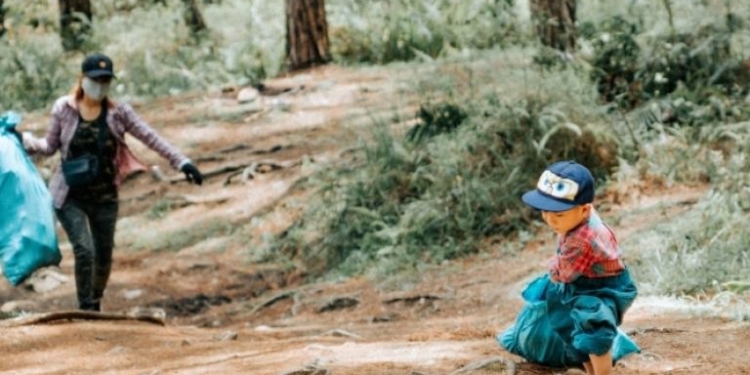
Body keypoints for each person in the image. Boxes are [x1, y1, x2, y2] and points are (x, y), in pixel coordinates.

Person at [22, 53, 204, 312]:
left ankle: (95, 299)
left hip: (105, 196)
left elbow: (150, 136)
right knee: (85, 250)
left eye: (105, 80)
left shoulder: (119, 113)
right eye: (95, 79)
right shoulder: (64, 108)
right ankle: (86, 309)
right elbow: (49, 146)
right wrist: (24, 141)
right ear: (82, 79)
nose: (100, 84)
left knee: (104, 256)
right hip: (69, 194)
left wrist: (182, 162)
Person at [518, 160, 638, 375]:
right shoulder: (579, 217)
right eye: (545, 211)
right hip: (582, 280)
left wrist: (552, 269)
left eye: (558, 214)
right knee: (570, 327)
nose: (550, 219)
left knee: (593, 329)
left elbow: (563, 274)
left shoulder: (580, 241)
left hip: (601, 286)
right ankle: (590, 371)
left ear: (584, 210)